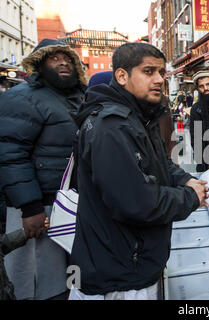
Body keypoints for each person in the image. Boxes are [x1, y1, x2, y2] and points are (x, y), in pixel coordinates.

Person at [69, 42, 209, 300]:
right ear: (122, 76)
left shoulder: (139, 116)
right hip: (119, 273)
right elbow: (136, 202)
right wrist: (190, 197)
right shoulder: (112, 127)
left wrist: (187, 179)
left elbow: (160, 162)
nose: (158, 79)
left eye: (161, 73)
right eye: (148, 72)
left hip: (134, 259)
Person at [0, 38, 88, 300]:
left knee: (71, 276)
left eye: (68, 58)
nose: (63, 62)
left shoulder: (78, 98)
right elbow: (10, 154)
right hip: (41, 207)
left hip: (73, 202)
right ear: (40, 64)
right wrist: (30, 208)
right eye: (54, 58)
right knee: (39, 282)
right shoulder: (22, 97)